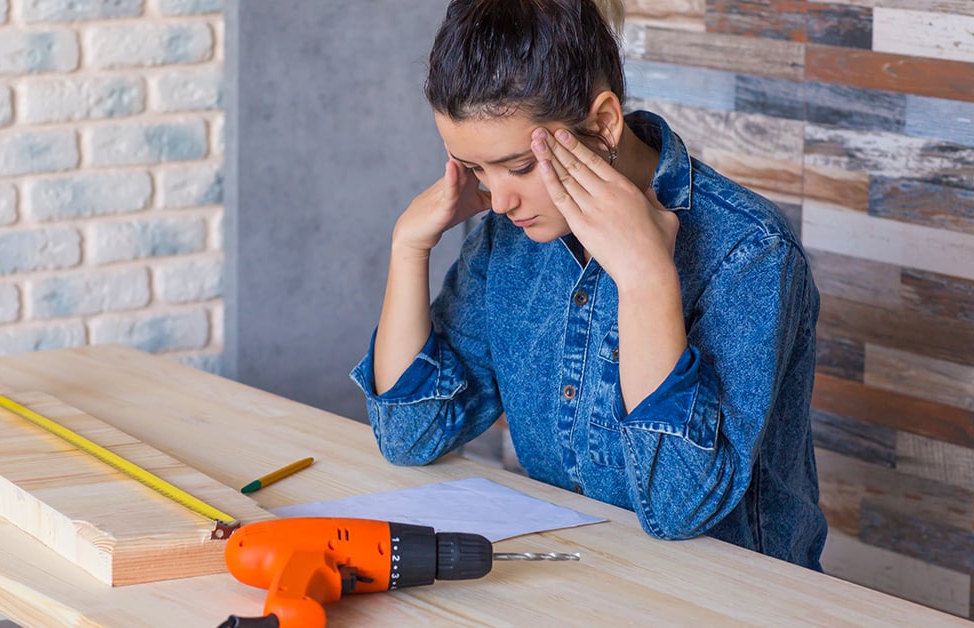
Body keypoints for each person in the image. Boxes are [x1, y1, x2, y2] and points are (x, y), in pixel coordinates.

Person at [349, 0, 827, 570]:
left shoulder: (750, 251)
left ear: (603, 124)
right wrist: (408, 247)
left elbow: (679, 509)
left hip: (731, 596)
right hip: (579, 578)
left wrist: (647, 278)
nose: (497, 201)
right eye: (475, 170)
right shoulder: (508, 232)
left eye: (520, 168)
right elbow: (408, 434)